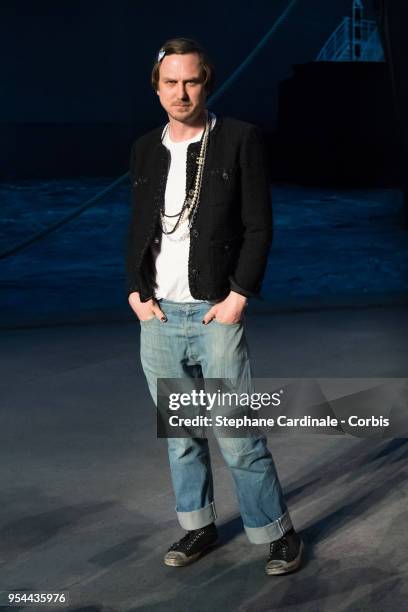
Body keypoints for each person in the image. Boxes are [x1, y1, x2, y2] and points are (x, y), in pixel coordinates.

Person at [126, 37, 303, 575]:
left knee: (238, 434)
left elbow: (258, 225)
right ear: (156, 88)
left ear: (208, 82)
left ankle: (277, 533)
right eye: (171, 82)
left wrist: (238, 297)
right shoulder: (144, 148)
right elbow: (140, 228)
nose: (182, 92)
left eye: (192, 81)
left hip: (213, 312)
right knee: (181, 438)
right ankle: (198, 526)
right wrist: (135, 291)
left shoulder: (240, 139)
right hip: (158, 317)